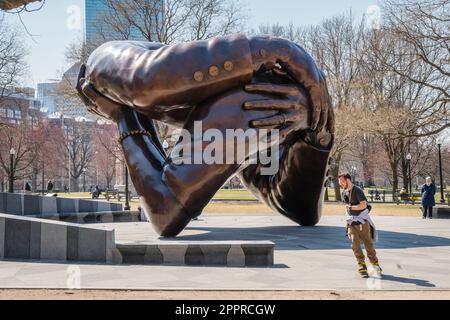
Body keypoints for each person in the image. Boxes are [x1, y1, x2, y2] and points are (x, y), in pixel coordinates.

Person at [76, 34, 334, 237]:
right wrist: (282, 52)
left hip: (276, 112)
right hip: (113, 65)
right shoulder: (258, 111)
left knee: (145, 84)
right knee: (145, 82)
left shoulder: (260, 119)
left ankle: (280, 62)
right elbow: (304, 212)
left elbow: (303, 212)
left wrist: (123, 116)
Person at [338, 173, 381, 278]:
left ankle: (375, 265)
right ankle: (362, 265)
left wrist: (351, 208)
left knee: (368, 244)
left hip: (363, 222)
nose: (340, 184)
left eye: (342, 181)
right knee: (354, 245)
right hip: (352, 223)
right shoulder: (344, 192)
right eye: (339, 182)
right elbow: (347, 207)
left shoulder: (357, 190)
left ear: (348, 180)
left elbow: (363, 205)